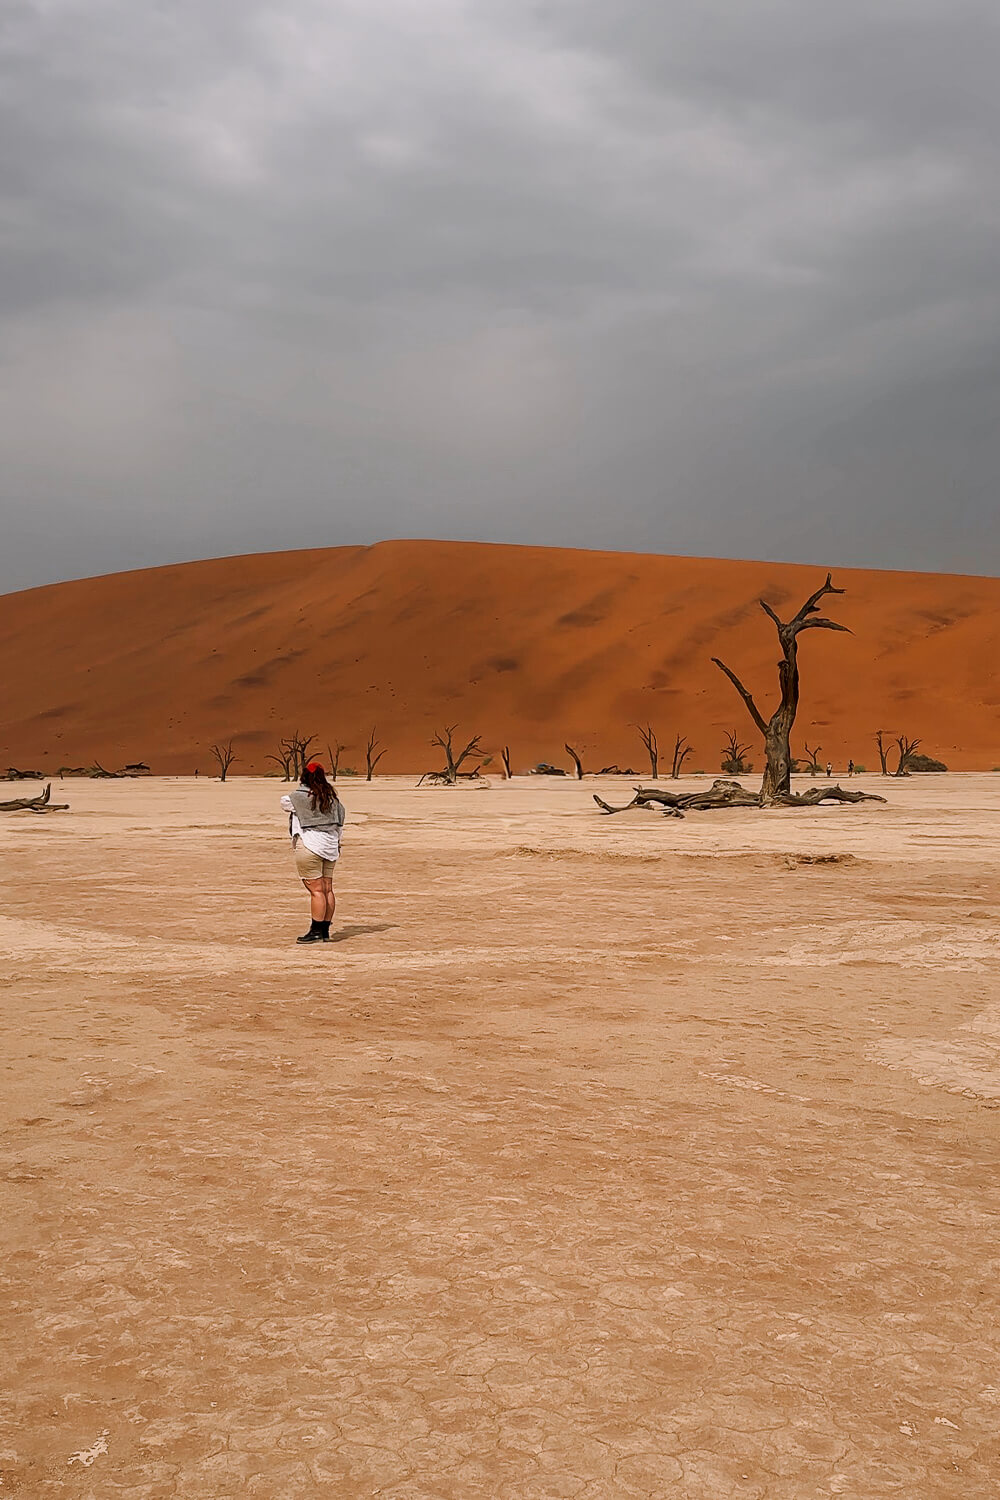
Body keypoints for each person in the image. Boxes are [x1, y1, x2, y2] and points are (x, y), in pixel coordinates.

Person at [280, 762, 345, 943]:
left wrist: (305, 788)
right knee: (327, 889)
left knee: (316, 891)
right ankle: (324, 931)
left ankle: (315, 931)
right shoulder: (333, 799)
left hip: (309, 845)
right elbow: (340, 824)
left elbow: (284, 802)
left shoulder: (299, 797)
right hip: (330, 847)